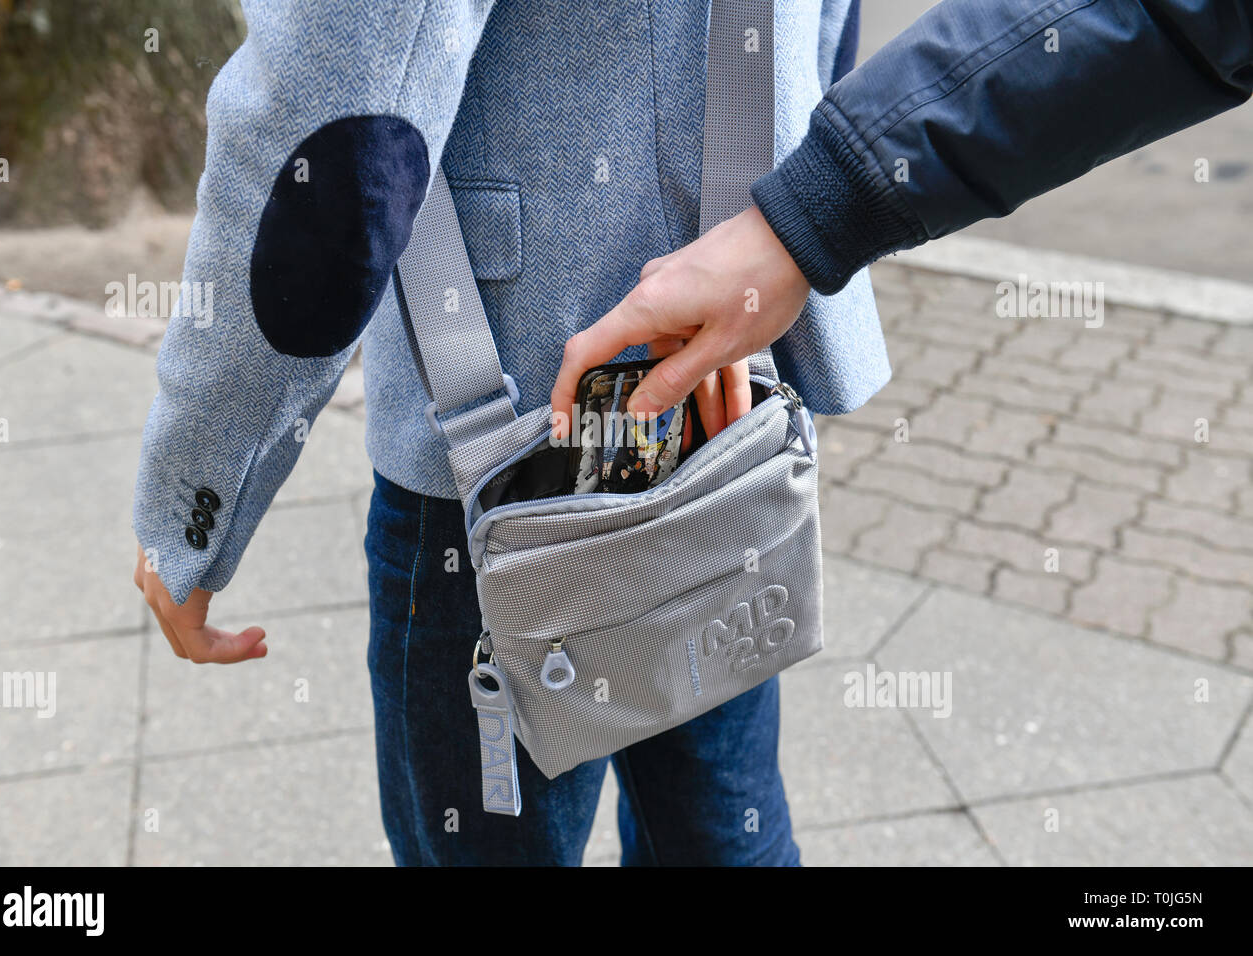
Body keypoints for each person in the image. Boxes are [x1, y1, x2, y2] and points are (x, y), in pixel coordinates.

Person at [132, 0, 1253, 865]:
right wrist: (782, 226)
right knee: (726, 832)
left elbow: (331, 129)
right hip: (722, 383)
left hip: (509, 444)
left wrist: (198, 494)